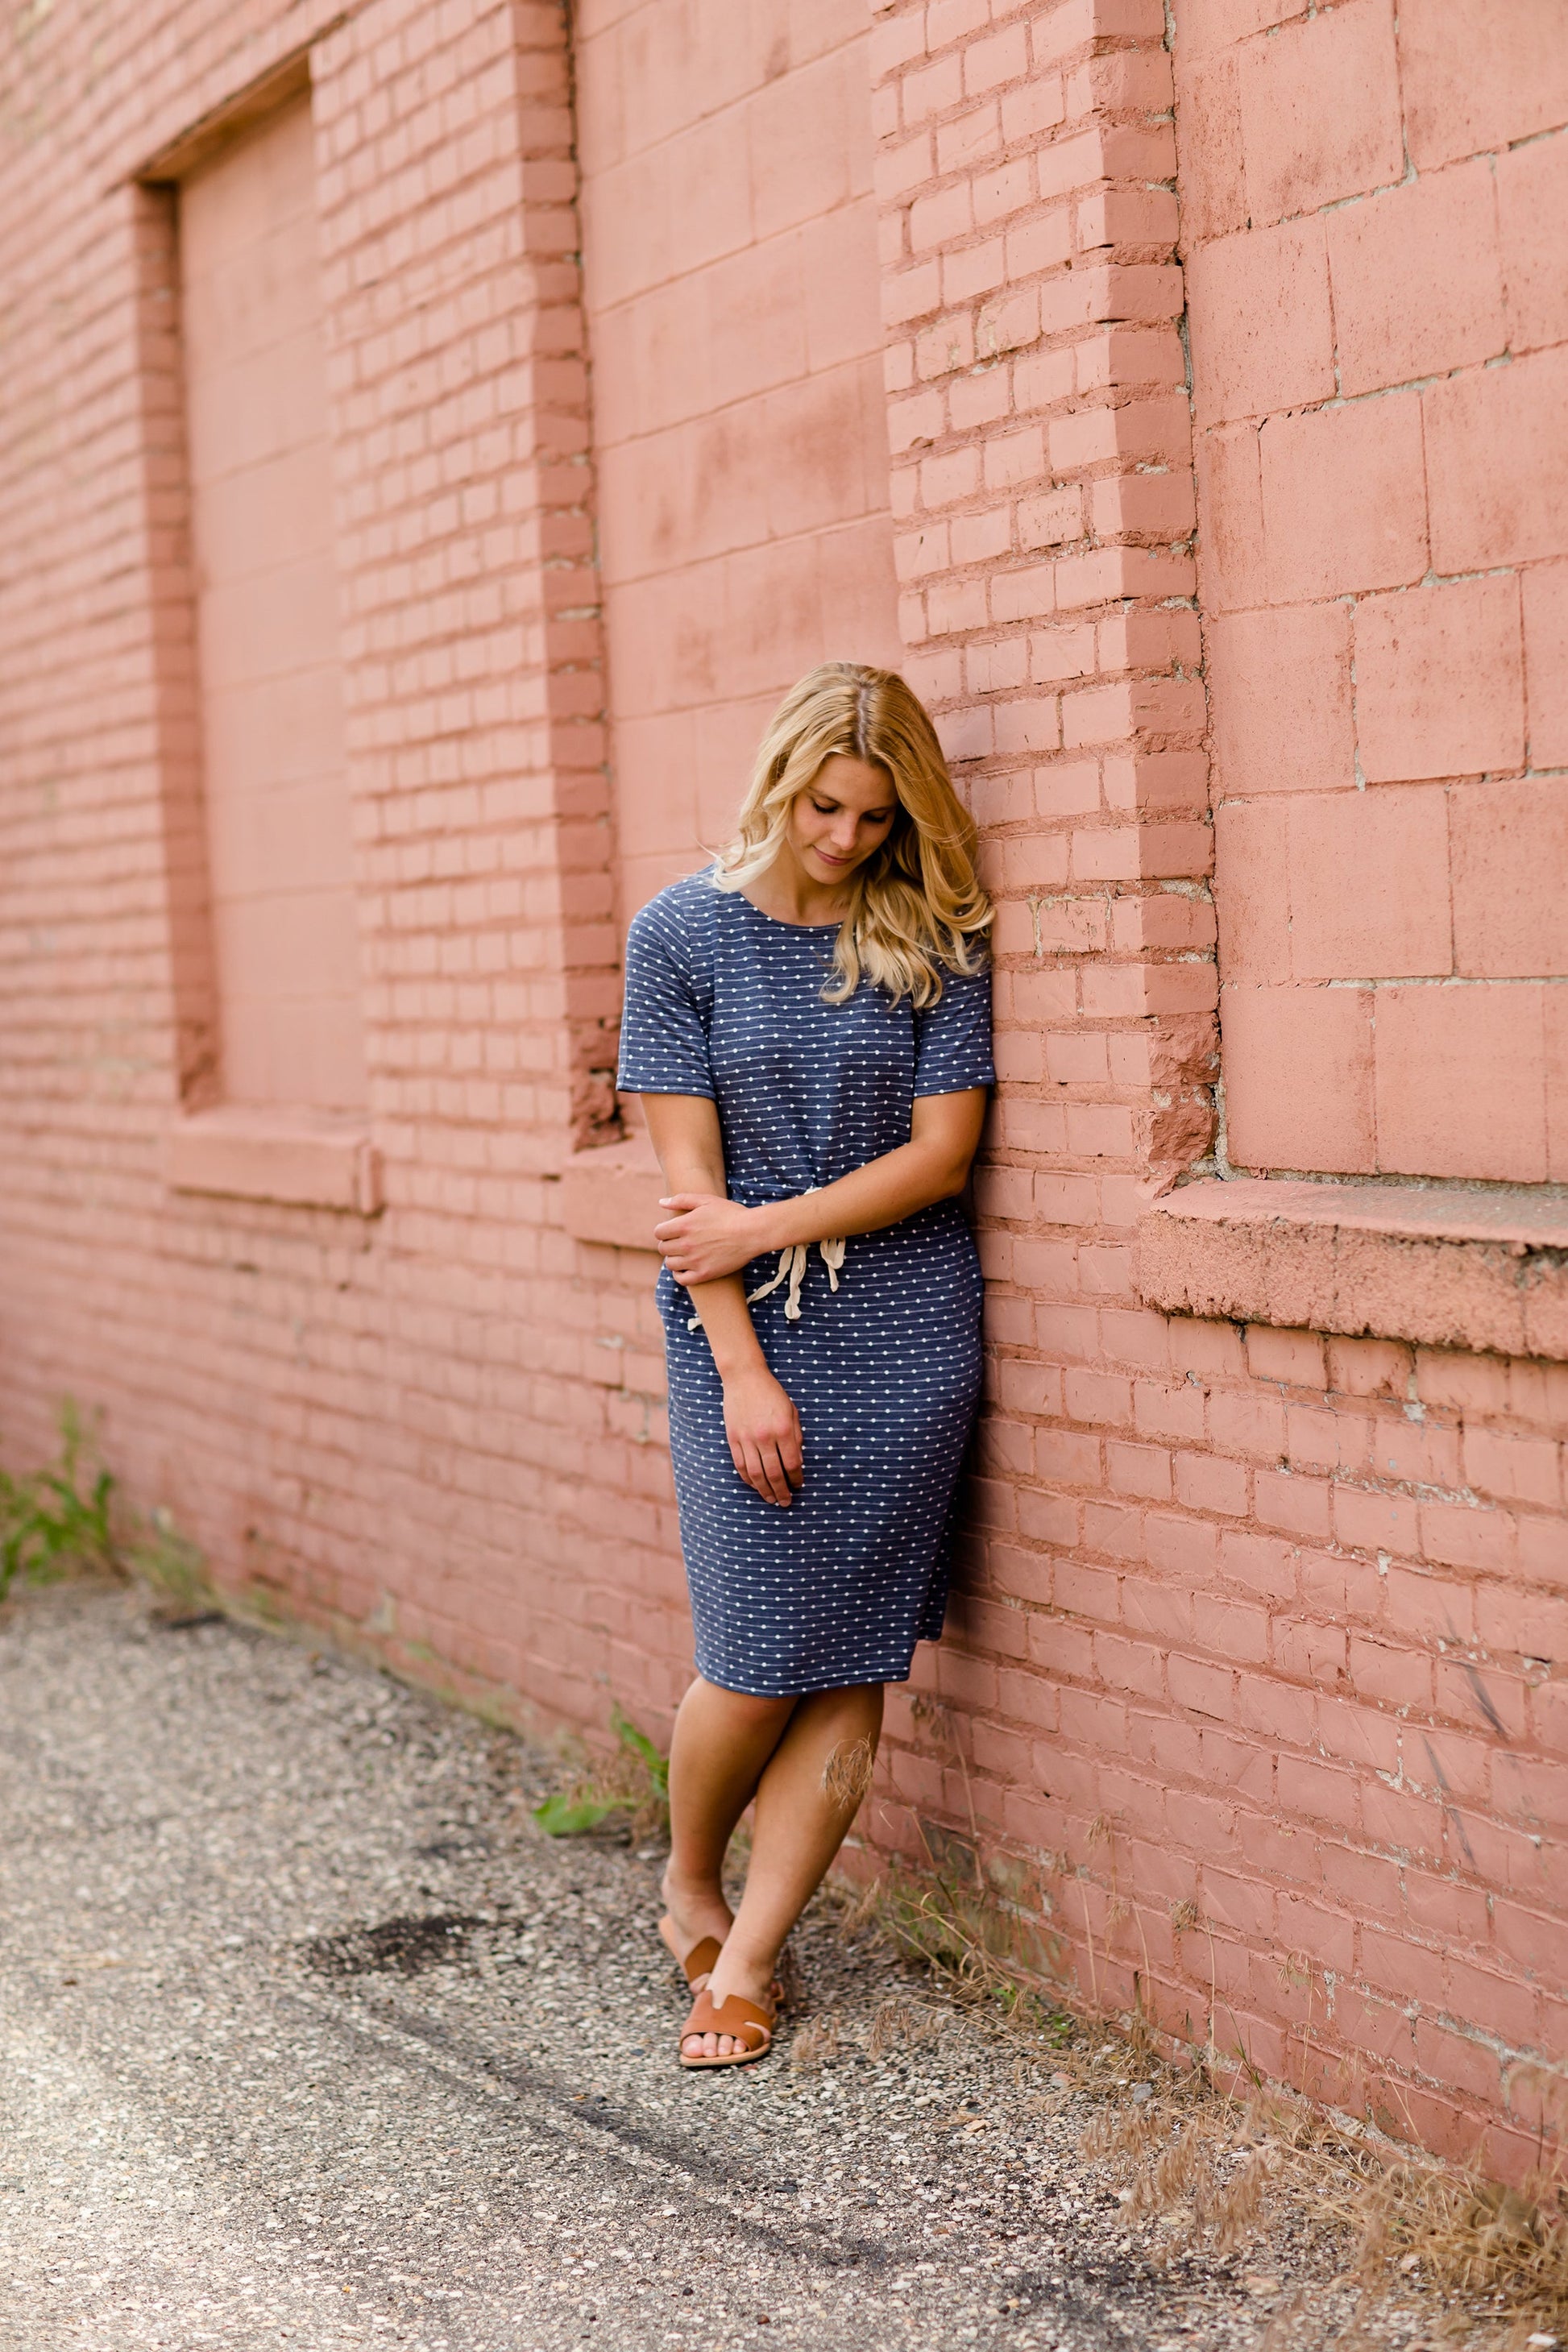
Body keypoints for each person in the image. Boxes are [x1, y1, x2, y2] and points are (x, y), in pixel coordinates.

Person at [616, 662, 995, 2068]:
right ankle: (688, 1880)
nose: (842, 838)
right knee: (753, 1654)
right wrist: (743, 1372)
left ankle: (752, 1963)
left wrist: (761, 1226)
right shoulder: (682, 933)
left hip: (907, 1328)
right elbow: (684, 1197)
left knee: (853, 1659)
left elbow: (940, 1156)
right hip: (745, 1331)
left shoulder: (930, 935)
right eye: (824, 805)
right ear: (780, 778)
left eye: (875, 818)